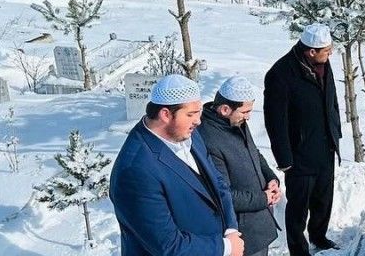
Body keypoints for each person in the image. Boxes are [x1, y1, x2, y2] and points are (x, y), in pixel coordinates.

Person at [110, 74, 243, 256]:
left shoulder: (188, 133)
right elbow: (167, 246)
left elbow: (217, 183)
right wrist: (225, 247)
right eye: (190, 114)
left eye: (198, 113)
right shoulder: (135, 170)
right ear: (165, 114)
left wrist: (230, 229)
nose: (198, 121)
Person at [264, 23, 342, 256]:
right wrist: (284, 158)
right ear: (311, 51)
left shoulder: (323, 64)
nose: (330, 54)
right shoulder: (281, 74)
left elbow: (332, 100)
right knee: (299, 206)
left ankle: (319, 235)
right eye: (326, 50)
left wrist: (335, 132)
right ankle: (298, 249)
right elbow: (275, 121)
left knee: (323, 200)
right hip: (299, 154)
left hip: (325, 146)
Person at [198, 76, 281, 256]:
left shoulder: (235, 122)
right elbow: (223, 194)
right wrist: (263, 198)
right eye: (245, 112)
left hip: (258, 225)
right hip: (242, 234)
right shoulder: (208, 139)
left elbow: (254, 153)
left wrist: (271, 178)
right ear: (225, 109)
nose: (248, 117)